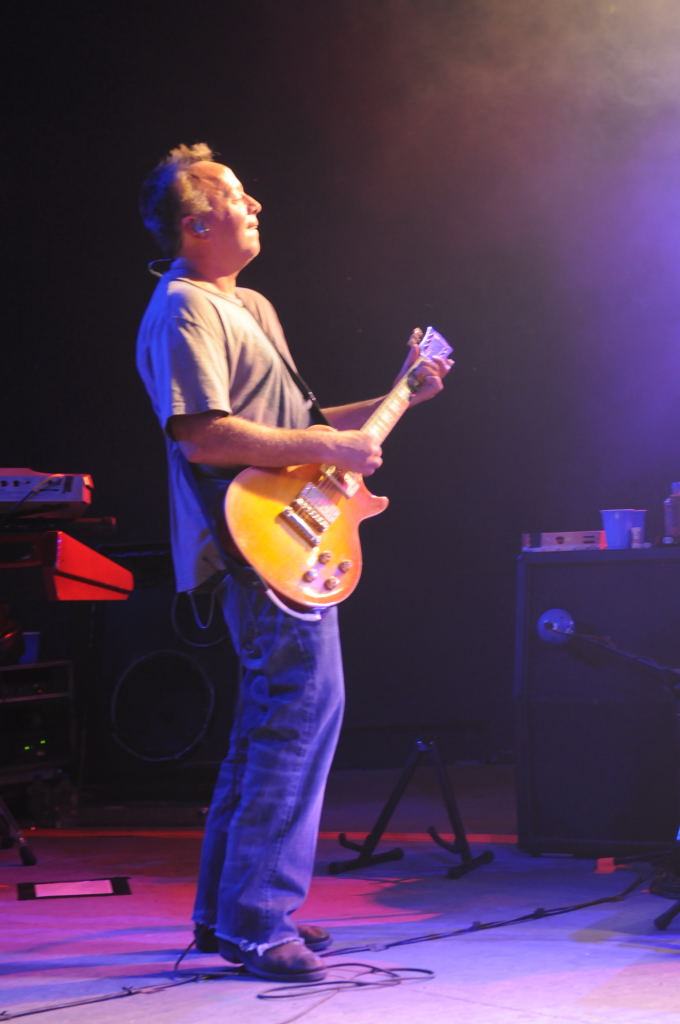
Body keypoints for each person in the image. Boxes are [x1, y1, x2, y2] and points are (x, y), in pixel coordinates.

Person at [136, 142, 452, 983]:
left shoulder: (252, 307)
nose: (255, 206)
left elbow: (303, 426)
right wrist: (327, 445)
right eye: (237, 197)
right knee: (299, 713)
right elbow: (205, 437)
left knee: (270, 726)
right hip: (255, 543)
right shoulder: (184, 308)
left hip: (292, 536)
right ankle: (258, 919)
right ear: (196, 224)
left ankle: (228, 912)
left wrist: (398, 393)